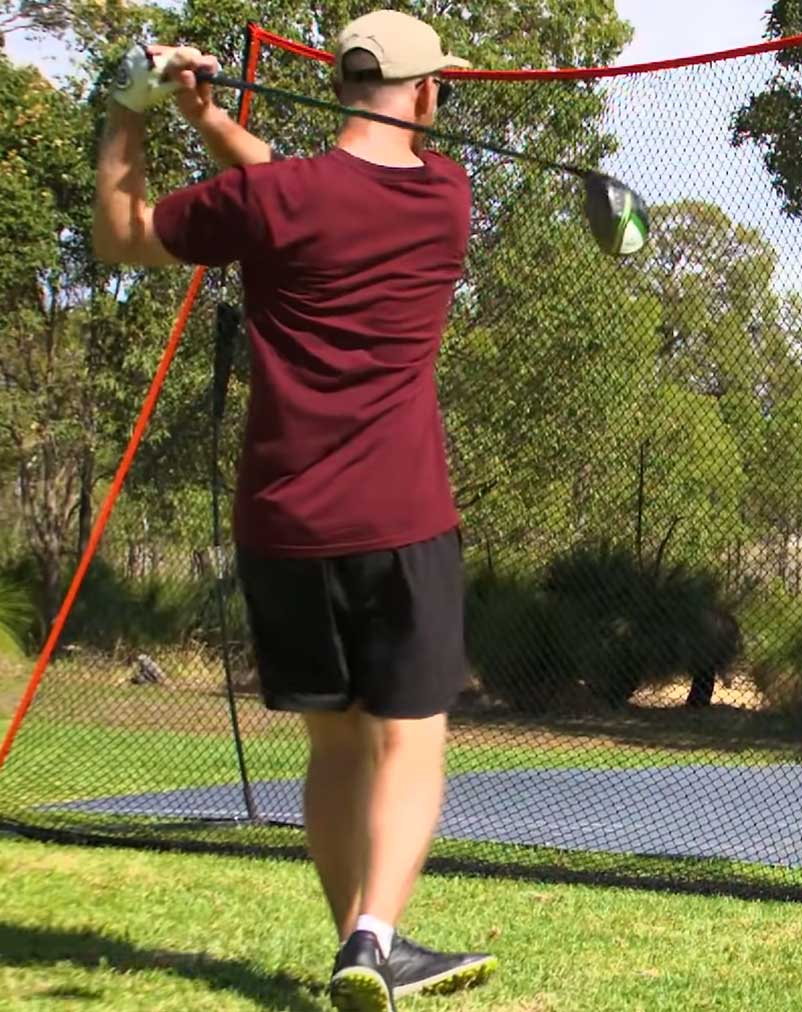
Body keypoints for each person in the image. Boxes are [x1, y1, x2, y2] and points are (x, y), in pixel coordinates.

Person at [92, 11, 494, 1011]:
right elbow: (329, 188)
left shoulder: (273, 197)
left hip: (281, 523)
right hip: (400, 518)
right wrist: (208, 119)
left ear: (343, 79)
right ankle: (376, 934)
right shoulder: (447, 196)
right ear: (427, 97)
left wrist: (132, 113)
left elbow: (124, 236)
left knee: (333, 747)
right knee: (411, 740)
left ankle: (357, 945)